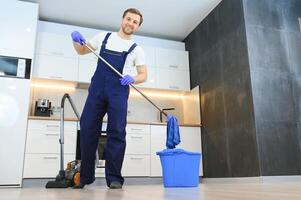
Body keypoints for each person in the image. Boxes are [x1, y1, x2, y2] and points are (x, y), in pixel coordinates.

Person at [71, 8, 147, 189]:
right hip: (97, 90)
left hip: (119, 92)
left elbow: (143, 74)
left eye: (135, 22)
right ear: (122, 19)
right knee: (88, 127)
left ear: (137, 27)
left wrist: (133, 78)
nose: (130, 23)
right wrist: (75, 40)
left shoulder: (137, 49)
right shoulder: (104, 37)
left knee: (117, 132)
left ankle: (114, 178)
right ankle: (85, 177)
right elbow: (81, 51)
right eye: (129, 19)